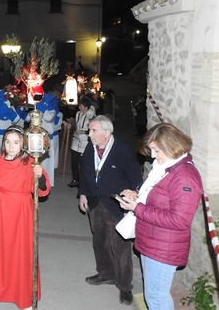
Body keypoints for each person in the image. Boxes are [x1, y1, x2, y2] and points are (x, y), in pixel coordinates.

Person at [118, 123, 203, 310]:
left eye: (156, 150)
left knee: (156, 297)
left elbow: (180, 220)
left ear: (171, 145)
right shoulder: (164, 168)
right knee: (152, 294)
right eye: (151, 150)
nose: (153, 155)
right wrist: (136, 195)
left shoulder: (185, 177)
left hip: (164, 246)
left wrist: (137, 208)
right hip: (152, 240)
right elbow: (155, 195)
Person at [0, 126, 51, 310]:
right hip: (0, 211)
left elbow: (43, 191)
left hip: (22, 212)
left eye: (16, 142)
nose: (11, 146)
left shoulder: (30, 163)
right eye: (7, 142)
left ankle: (23, 296)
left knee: (21, 252)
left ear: (24, 144)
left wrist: (39, 176)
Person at [78, 115, 142, 305]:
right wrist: (82, 193)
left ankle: (124, 286)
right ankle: (105, 273)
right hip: (95, 203)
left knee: (120, 246)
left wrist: (134, 194)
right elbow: (84, 171)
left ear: (106, 132)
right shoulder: (90, 148)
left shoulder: (122, 151)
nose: (89, 134)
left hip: (116, 206)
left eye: (93, 130)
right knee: (99, 241)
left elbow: (136, 179)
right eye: (89, 130)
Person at [0, 90, 22, 170]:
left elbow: (16, 120)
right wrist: (4, 108)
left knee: (7, 155)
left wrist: (8, 109)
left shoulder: (10, 108)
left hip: (7, 137)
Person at [68, 96, 96, 188]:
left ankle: (83, 182)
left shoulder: (91, 116)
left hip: (84, 142)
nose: (79, 107)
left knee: (83, 164)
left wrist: (83, 132)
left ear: (85, 107)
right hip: (76, 141)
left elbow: (94, 129)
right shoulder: (78, 114)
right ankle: (75, 179)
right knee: (74, 162)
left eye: (80, 106)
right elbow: (76, 125)